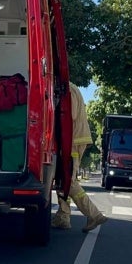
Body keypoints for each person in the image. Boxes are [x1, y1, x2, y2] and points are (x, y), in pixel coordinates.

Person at [52, 82, 108, 233]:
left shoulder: (67, 88)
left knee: (69, 181)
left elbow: (70, 115)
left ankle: (94, 214)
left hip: (72, 140)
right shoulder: (69, 87)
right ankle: (63, 217)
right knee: (63, 179)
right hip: (72, 139)